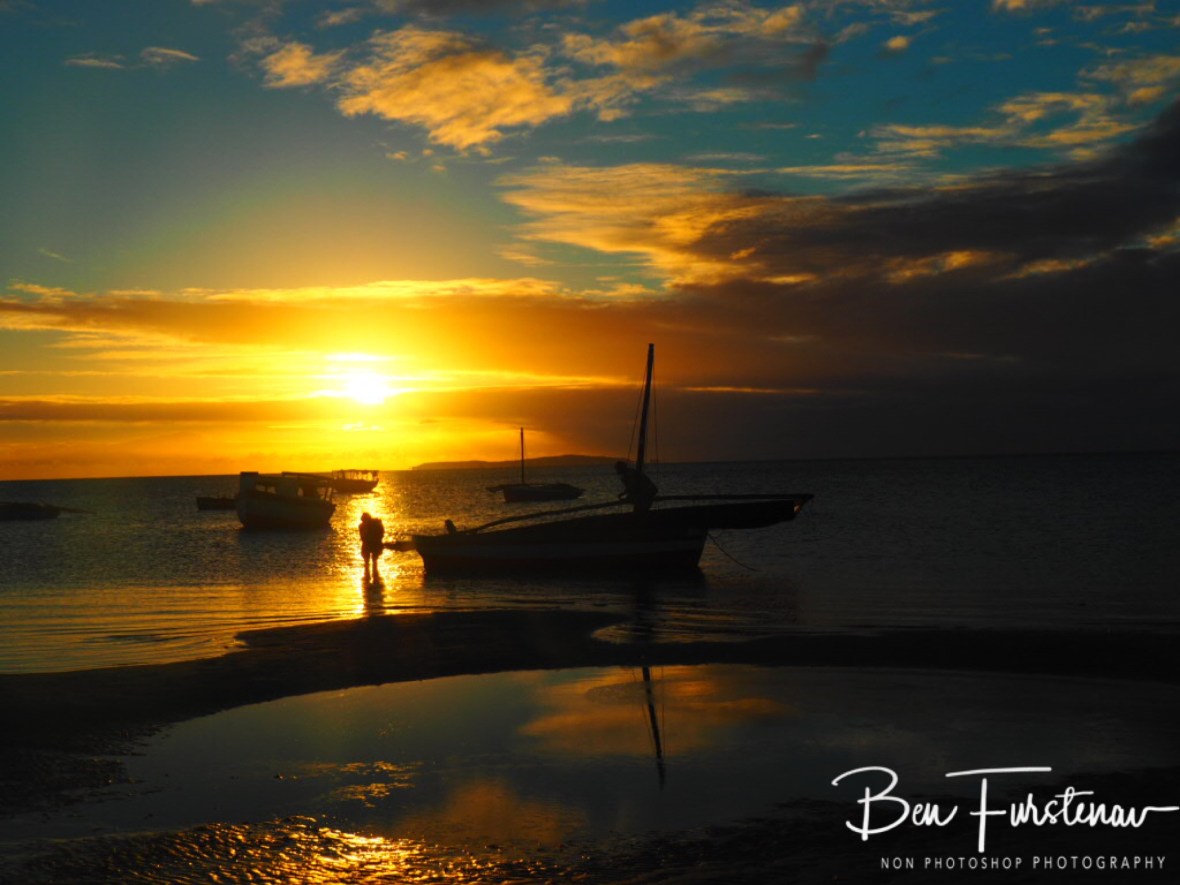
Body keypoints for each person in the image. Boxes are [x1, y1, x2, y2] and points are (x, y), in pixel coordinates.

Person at [358, 512, 385, 581]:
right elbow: (362, 536)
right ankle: (369, 574)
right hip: (368, 543)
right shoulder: (362, 526)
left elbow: (381, 533)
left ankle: (373, 574)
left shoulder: (376, 524)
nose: (363, 521)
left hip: (374, 543)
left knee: (373, 560)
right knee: (368, 560)